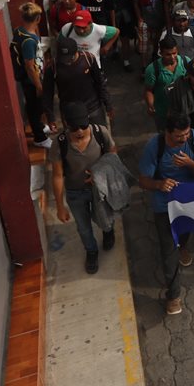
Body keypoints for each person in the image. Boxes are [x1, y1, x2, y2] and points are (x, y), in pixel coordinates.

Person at [137, 114, 194, 315]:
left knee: (185, 232)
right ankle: (174, 294)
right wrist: (159, 184)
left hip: (190, 200)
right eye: (179, 136)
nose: (184, 139)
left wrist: (190, 164)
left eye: (187, 133)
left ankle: (183, 246)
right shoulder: (154, 146)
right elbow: (143, 180)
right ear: (167, 133)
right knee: (168, 250)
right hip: (165, 204)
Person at [51, 102, 118, 274]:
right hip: (75, 193)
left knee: (105, 217)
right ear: (66, 124)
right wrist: (60, 206)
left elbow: (113, 156)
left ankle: (108, 231)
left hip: (100, 189)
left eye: (83, 125)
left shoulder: (100, 133)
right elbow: (58, 176)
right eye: (74, 127)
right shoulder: (60, 143)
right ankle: (91, 251)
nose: (79, 131)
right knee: (83, 227)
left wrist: (100, 174)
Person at [44, 36, 111, 127]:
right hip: (70, 112)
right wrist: (50, 117)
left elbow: (100, 82)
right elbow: (47, 93)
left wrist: (108, 104)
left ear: (76, 52)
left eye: (70, 58)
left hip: (93, 108)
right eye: (64, 59)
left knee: (100, 136)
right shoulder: (52, 67)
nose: (67, 62)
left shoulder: (88, 59)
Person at [10, 1, 51, 148]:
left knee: (37, 106)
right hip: (31, 81)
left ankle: (39, 126)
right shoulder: (28, 41)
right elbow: (29, 66)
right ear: (38, 18)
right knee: (35, 108)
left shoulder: (20, 30)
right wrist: (39, 85)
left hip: (34, 77)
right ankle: (40, 138)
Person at [144, 37, 187, 130]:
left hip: (184, 110)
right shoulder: (152, 69)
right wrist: (150, 105)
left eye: (174, 53)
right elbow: (148, 90)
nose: (172, 57)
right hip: (163, 112)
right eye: (168, 54)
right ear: (161, 53)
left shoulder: (185, 62)